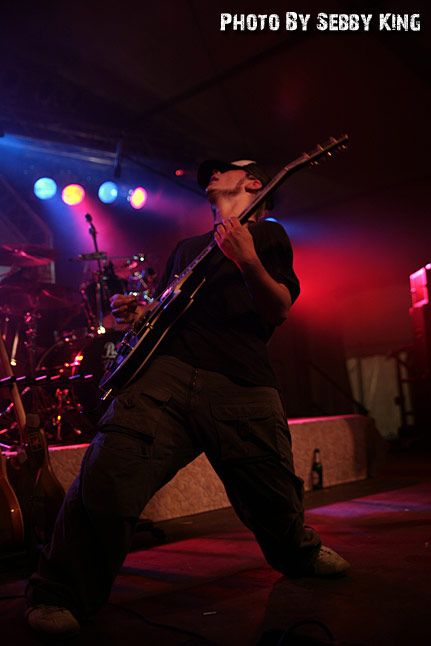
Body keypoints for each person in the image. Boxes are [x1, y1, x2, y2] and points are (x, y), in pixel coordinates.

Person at [25, 159, 350, 637]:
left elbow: (278, 308)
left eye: (224, 169)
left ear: (254, 182)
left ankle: (298, 553)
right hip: (166, 378)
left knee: (274, 499)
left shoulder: (269, 235)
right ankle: (60, 593)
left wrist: (247, 259)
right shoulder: (186, 249)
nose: (211, 174)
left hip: (240, 381)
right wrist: (140, 313)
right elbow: (163, 316)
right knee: (108, 476)